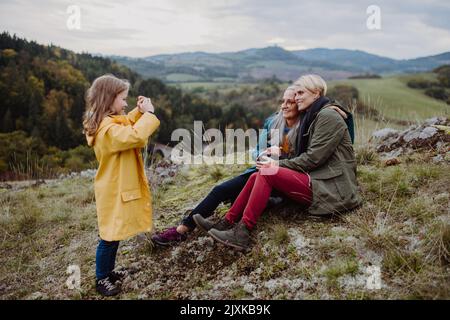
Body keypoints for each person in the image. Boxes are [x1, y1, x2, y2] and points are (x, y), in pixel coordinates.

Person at [151, 84, 350, 246]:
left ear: (302, 106)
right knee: (222, 189)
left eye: (292, 101)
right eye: (283, 101)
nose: (285, 105)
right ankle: (190, 228)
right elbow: (258, 149)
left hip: (286, 174)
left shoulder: (308, 124)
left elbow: (320, 146)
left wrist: (335, 106)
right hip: (266, 170)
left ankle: (222, 228)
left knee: (239, 188)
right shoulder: (275, 123)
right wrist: (263, 154)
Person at [203, 74, 362, 251]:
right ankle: (227, 222)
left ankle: (242, 232)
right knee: (257, 174)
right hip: (318, 179)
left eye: (301, 93)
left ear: (317, 93)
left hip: (332, 188)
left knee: (267, 172)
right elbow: (304, 154)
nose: (297, 97)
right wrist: (278, 154)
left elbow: (313, 158)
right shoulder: (313, 116)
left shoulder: (327, 116)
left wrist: (277, 165)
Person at [83, 74, 160, 296]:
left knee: (114, 233)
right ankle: (101, 278)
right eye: (123, 99)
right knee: (108, 236)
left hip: (115, 186)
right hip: (112, 188)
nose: (126, 104)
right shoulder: (106, 130)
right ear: (109, 99)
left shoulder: (110, 122)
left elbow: (126, 122)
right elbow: (134, 135)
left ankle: (108, 273)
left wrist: (138, 112)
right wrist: (150, 114)